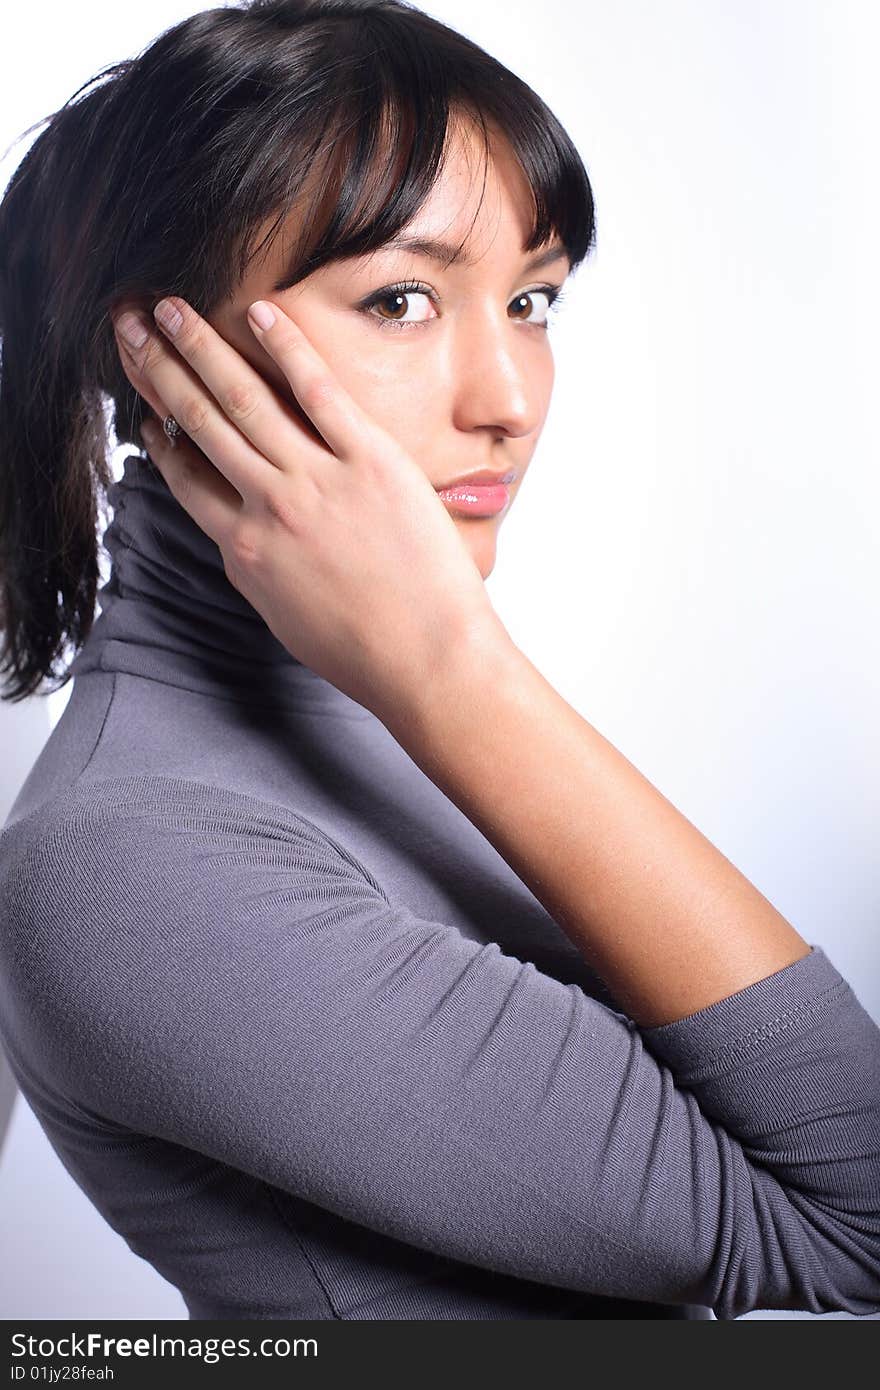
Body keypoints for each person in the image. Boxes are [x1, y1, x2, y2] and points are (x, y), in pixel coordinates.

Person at [0, 0, 877, 1323]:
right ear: (162, 358)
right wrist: (456, 670)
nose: (510, 398)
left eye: (532, 300)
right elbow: (855, 1227)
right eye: (402, 298)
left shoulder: (371, 708)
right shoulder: (128, 861)